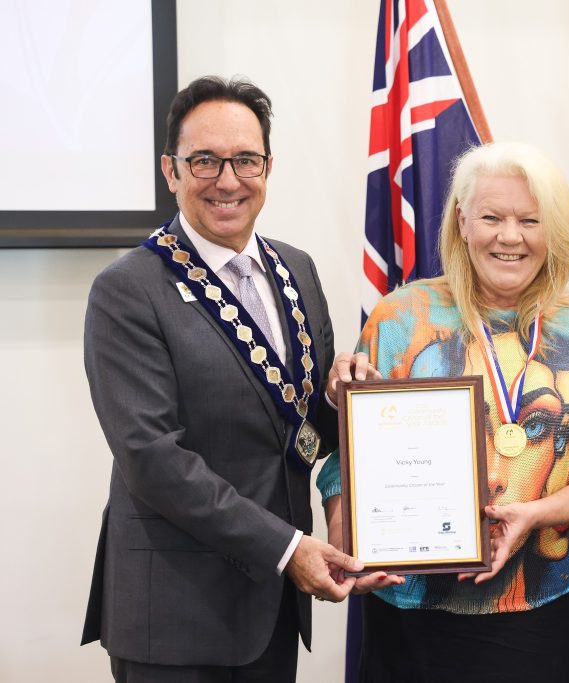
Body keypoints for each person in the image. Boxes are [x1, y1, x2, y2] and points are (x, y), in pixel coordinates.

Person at [81, 76, 393, 682]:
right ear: (171, 171)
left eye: (245, 160)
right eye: (204, 160)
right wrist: (288, 549)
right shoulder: (127, 291)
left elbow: (303, 432)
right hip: (176, 616)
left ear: (267, 167)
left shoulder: (295, 270)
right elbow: (153, 458)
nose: (227, 180)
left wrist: (344, 396)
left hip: (271, 611)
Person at [317, 142, 569, 682]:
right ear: (462, 221)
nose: (509, 237)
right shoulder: (401, 318)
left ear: (552, 228)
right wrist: (352, 543)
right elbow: (347, 458)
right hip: (409, 615)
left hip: (541, 612)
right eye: (492, 217)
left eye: (529, 220)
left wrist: (535, 514)